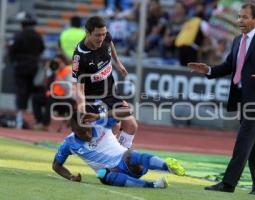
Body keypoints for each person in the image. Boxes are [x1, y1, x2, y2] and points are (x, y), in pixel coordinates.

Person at [188, 3, 255, 196]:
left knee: (243, 141)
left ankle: (228, 183)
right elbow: (229, 65)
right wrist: (209, 70)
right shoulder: (238, 40)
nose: (240, 20)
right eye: (239, 17)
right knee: (253, 144)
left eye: (245, 17)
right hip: (241, 98)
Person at [52, 112, 185, 188]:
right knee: (102, 174)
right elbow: (56, 165)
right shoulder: (69, 143)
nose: (87, 135)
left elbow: (124, 112)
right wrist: (70, 176)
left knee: (132, 155)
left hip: (128, 163)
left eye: (87, 130)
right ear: (73, 131)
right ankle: (154, 185)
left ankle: (167, 166)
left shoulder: (101, 123)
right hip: (109, 172)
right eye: (82, 133)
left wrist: (100, 115)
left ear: (89, 123)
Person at [72, 16, 137, 149]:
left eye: (103, 34)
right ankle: (110, 162)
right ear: (88, 33)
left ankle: (121, 157)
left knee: (131, 126)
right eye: (97, 35)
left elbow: (110, 43)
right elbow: (79, 88)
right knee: (115, 126)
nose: (101, 38)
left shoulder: (105, 37)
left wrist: (118, 63)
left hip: (110, 92)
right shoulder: (80, 57)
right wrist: (82, 109)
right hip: (95, 98)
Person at [8, 12, 45, 129]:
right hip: (33, 66)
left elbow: (11, 49)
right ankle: (37, 118)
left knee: (21, 91)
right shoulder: (37, 36)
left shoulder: (19, 35)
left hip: (20, 66)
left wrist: (15, 59)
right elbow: (41, 49)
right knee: (30, 91)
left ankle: (20, 116)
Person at [32, 54, 72, 130]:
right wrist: (46, 70)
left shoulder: (68, 71)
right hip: (52, 96)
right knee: (35, 98)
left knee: (51, 98)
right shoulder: (52, 71)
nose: (56, 65)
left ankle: (45, 124)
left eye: (59, 63)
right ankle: (39, 121)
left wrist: (57, 74)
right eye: (55, 63)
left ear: (63, 63)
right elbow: (38, 82)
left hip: (64, 98)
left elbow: (67, 88)